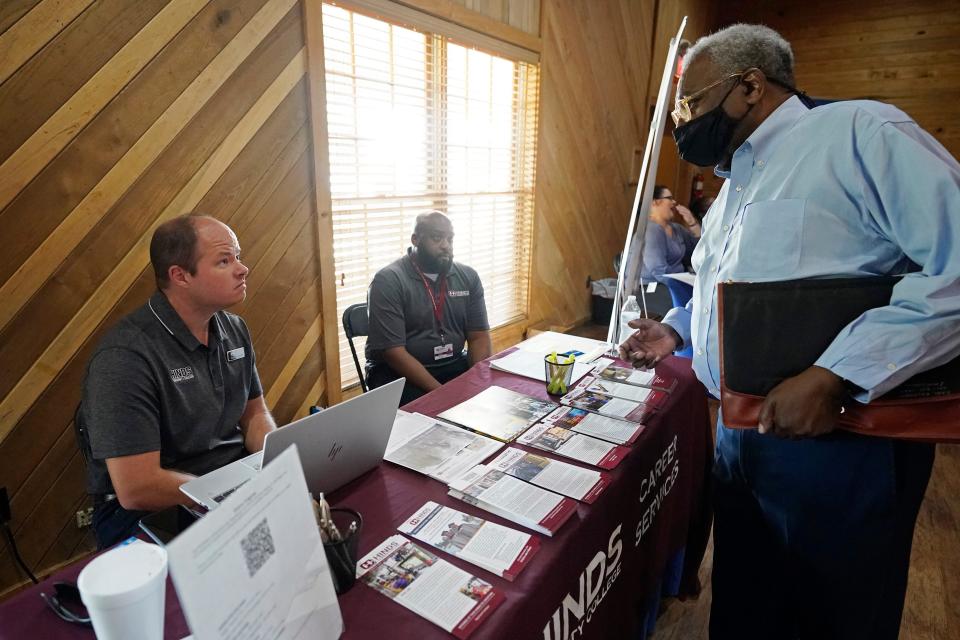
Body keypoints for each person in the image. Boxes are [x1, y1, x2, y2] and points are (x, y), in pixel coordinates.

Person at [620, 23, 960, 640]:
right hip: (740, 437)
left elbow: (955, 268)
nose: (681, 122)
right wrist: (678, 331)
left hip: (843, 442)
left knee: (833, 613)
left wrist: (836, 374)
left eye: (690, 104)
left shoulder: (862, 135)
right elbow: (736, 289)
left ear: (749, 84)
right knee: (748, 604)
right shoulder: (735, 183)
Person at [80, 214, 276, 548]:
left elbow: (255, 414)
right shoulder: (124, 357)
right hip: (151, 509)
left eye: (238, 257)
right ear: (180, 276)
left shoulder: (234, 328)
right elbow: (137, 488)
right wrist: (224, 494)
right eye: (224, 261)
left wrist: (278, 459)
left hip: (225, 482)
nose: (242, 269)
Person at [366, 211, 492, 405]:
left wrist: (475, 381)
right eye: (437, 238)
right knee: (439, 415)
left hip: (453, 365)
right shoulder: (388, 280)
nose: (445, 245)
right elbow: (393, 353)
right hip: (399, 375)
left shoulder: (468, 277)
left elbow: (479, 337)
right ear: (415, 239)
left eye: (450, 239)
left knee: (490, 398)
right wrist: (441, 394)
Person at [639, 185, 700, 316]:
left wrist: (692, 222)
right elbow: (658, 270)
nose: (674, 202)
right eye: (669, 198)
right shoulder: (651, 230)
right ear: (654, 202)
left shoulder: (676, 229)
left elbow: (699, 251)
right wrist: (684, 283)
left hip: (675, 284)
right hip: (652, 287)